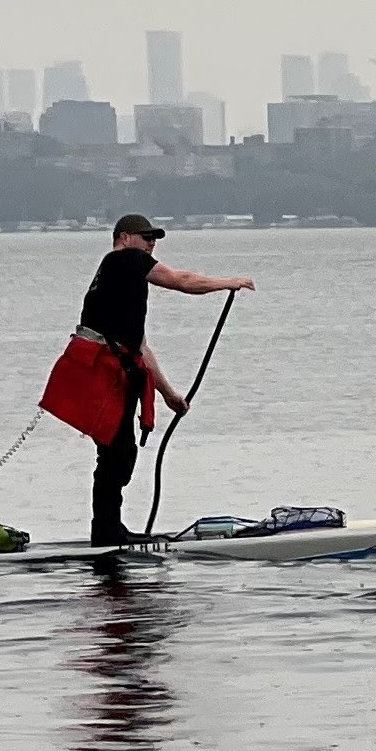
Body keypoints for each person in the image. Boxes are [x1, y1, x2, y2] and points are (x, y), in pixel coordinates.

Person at [40, 214, 255, 544]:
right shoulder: (125, 259)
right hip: (103, 373)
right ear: (124, 238)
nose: (151, 244)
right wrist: (227, 282)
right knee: (117, 452)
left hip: (111, 371)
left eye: (154, 238)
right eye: (146, 237)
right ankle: (107, 533)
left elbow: (138, 349)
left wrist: (169, 395)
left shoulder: (117, 277)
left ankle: (108, 528)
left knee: (119, 453)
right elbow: (180, 280)